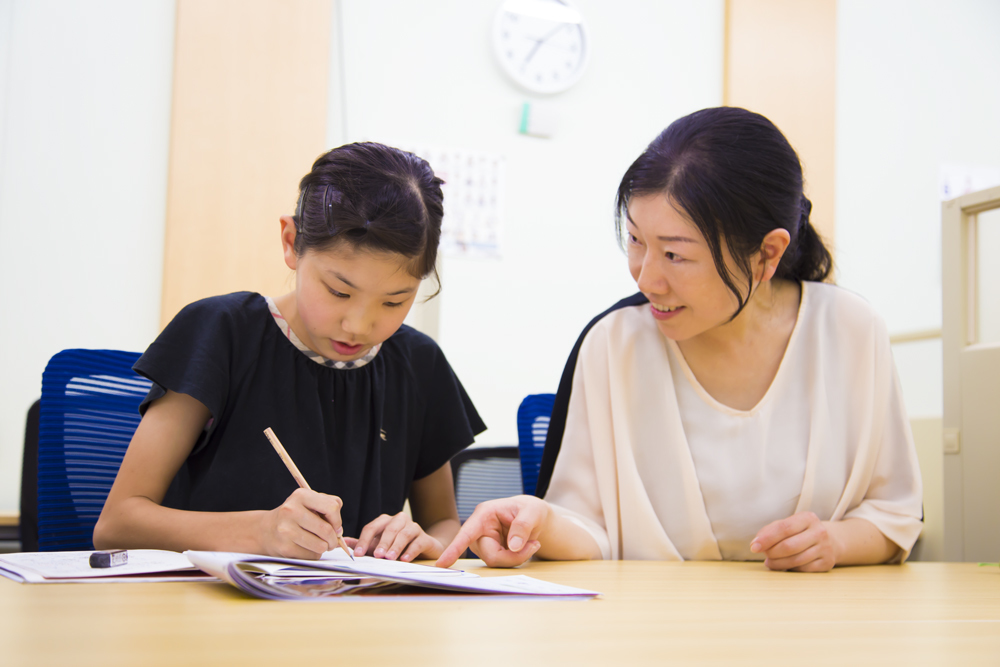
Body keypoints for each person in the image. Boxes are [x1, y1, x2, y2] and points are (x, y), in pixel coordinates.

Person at [437, 107, 923, 572]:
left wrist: (833, 542)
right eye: (635, 241)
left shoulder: (849, 330)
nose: (647, 279)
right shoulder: (614, 345)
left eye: (674, 255)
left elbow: (894, 513)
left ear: (767, 254)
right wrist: (540, 522)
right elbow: (590, 527)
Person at [95, 142, 485, 562]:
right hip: (211, 614)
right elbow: (117, 523)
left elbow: (443, 523)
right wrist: (259, 532)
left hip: (357, 617)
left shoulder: (418, 364)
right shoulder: (221, 334)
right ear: (291, 241)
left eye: (394, 301)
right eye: (338, 290)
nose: (358, 325)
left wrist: (425, 540)